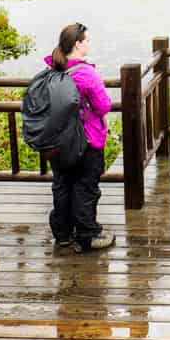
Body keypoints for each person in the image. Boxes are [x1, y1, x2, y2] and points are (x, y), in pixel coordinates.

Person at [45, 23, 116, 252]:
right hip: (86, 139)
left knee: (63, 184)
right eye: (87, 40)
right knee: (86, 186)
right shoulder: (85, 72)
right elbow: (104, 105)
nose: (89, 44)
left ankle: (63, 233)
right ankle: (87, 234)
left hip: (57, 139)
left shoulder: (52, 68)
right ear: (77, 44)